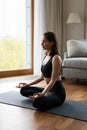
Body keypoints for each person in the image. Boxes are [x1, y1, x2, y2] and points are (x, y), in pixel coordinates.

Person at [16, 32, 66, 110]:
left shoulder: (56, 58)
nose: (41, 43)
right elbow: (42, 77)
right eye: (42, 41)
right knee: (24, 90)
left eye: (44, 41)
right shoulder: (46, 56)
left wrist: (43, 93)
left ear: (52, 42)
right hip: (48, 89)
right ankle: (46, 95)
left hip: (57, 93)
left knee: (37, 103)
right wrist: (27, 84)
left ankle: (46, 96)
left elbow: (53, 80)